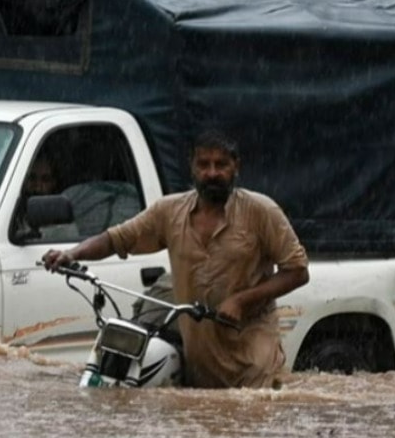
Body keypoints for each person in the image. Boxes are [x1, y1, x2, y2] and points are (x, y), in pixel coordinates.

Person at [41, 129, 309, 388]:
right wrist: (72, 254)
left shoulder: (261, 211)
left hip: (252, 362)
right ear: (192, 167)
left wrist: (241, 300)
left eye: (221, 165)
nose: (212, 173)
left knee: (248, 421)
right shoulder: (169, 212)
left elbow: (297, 270)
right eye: (204, 164)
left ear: (236, 167)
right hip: (201, 363)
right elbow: (116, 238)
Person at [13, 153, 78, 242]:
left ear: (54, 183)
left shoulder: (63, 226)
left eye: (45, 180)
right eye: (32, 178)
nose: (38, 186)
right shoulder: (10, 215)